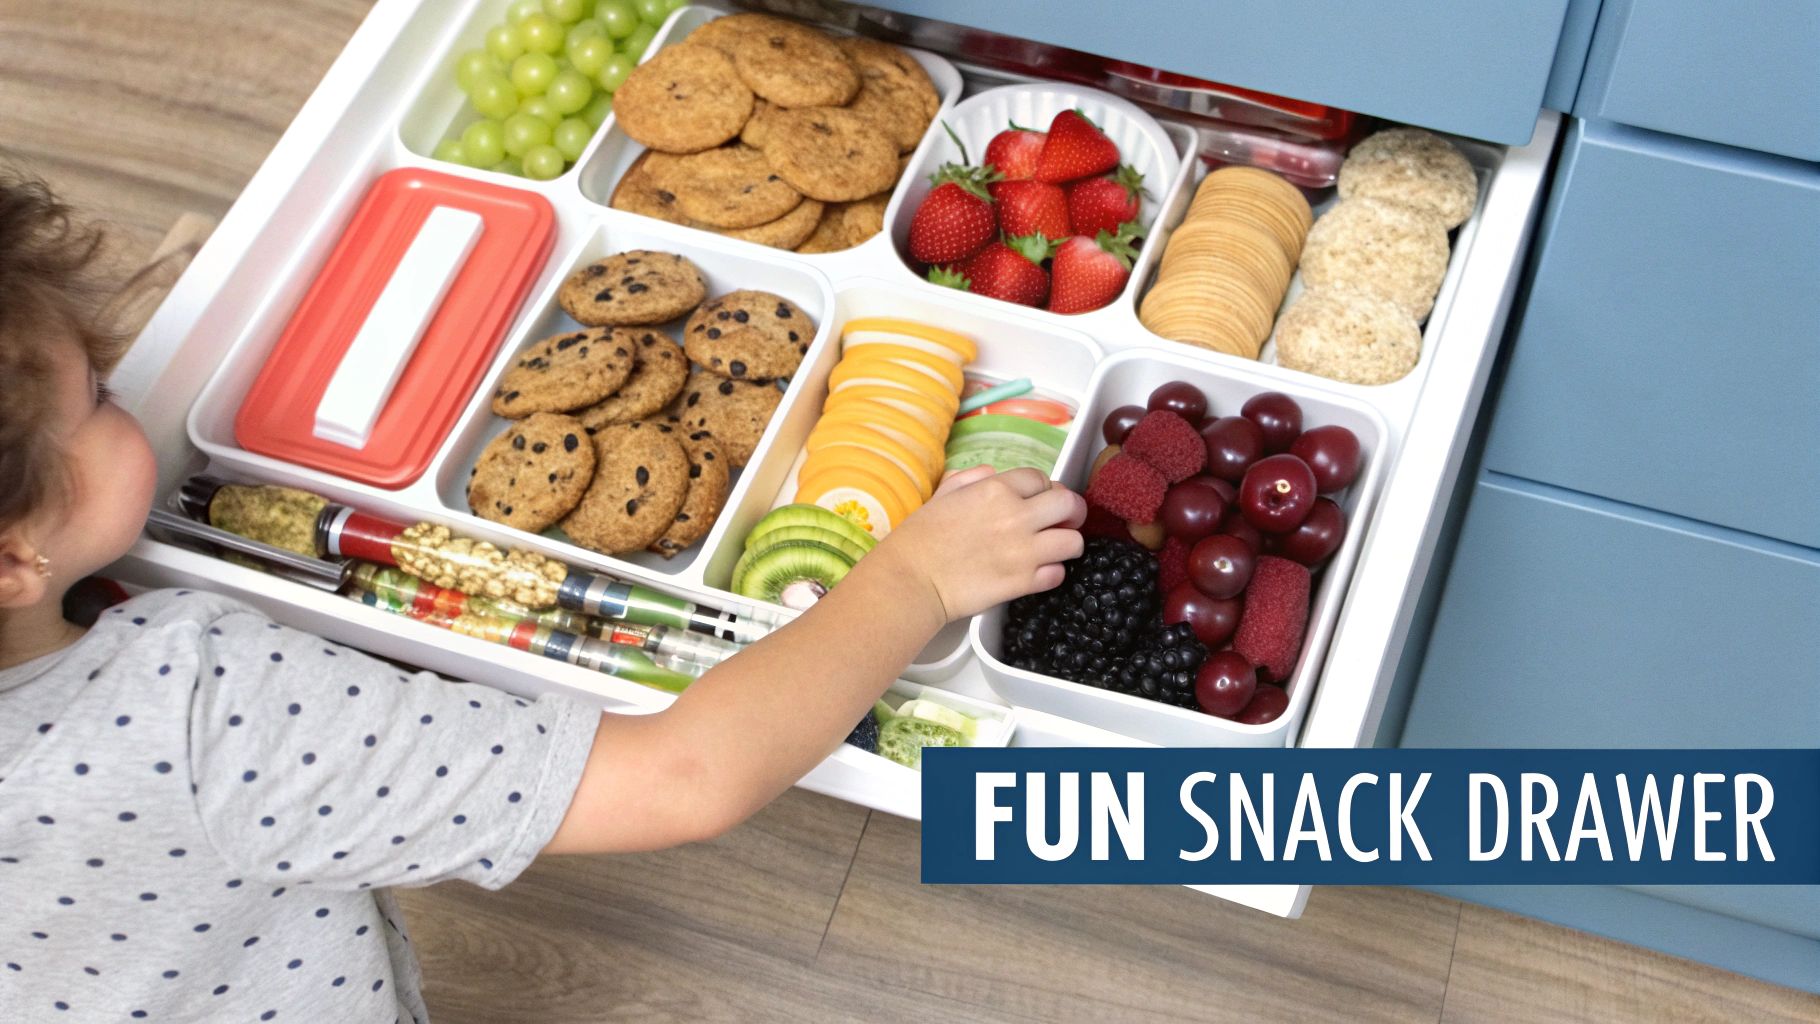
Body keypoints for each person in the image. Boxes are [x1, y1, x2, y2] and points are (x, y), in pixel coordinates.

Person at [0, 171, 1085, 1022]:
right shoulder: (200, 703)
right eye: (97, 395)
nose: (126, 391)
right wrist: (914, 574)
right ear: (12, 559)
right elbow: (682, 775)